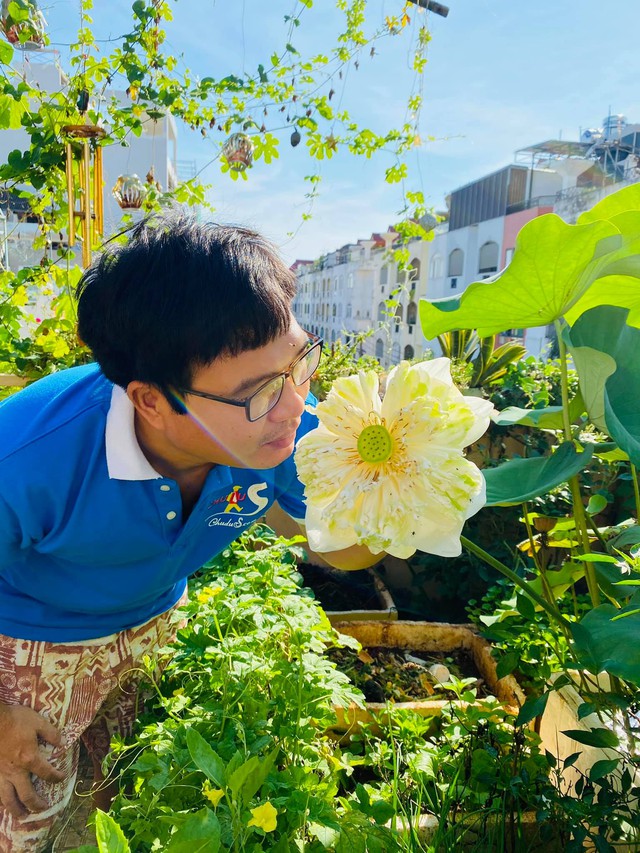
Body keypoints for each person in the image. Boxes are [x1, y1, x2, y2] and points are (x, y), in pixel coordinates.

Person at [0, 211, 379, 852]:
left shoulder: (284, 428)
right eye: (260, 389)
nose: (294, 406)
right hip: (33, 640)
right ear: (151, 400)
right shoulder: (30, 455)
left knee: (119, 793)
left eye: (299, 363)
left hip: (150, 623)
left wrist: (401, 504)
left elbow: (337, 543)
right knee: (25, 816)